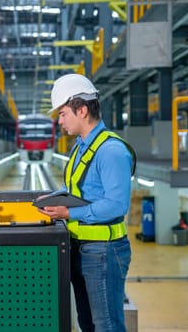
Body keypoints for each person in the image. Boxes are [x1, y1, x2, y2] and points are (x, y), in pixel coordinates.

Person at [37, 73, 136, 331]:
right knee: (88, 323)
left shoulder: (111, 151)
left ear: (81, 110)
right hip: (81, 248)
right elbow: (75, 188)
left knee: (107, 325)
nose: (60, 121)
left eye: (63, 114)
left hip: (103, 251)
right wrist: (52, 198)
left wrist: (68, 213)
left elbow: (116, 204)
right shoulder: (80, 146)